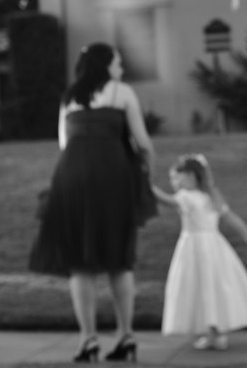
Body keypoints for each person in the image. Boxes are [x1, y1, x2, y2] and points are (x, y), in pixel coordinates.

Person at [29, 43, 156, 362]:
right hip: (113, 177)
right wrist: (146, 175)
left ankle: (88, 340)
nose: (121, 69)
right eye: (118, 63)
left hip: (71, 178)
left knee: (79, 262)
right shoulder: (122, 92)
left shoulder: (69, 96)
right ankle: (126, 335)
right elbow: (142, 142)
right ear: (106, 65)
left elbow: (64, 143)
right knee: (118, 259)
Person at [153, 153, 247, 351]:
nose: (173, 182)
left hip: (195, 248)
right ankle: (215, 331)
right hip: (214, 246)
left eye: (176, 177)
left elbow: (166, 201)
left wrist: (147, 186)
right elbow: (229, 216)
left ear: (191, 176)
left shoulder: (186, 197)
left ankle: (213, 332)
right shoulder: (211, 195)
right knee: (213, 286)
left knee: (203, 287)